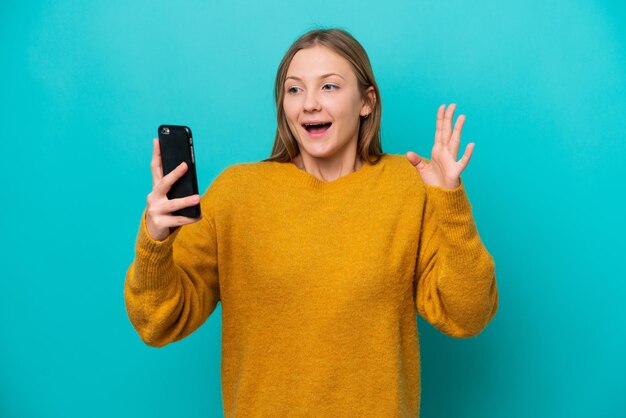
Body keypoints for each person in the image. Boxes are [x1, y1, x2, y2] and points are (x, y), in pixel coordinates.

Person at [124, 28, 498, 417]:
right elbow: (157, 322)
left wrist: (449, 202)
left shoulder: (407, 186)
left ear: (367, 101)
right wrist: (155, 240)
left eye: (330, 87)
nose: (310, 105)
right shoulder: (237, 193)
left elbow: (467, 314)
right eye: (295, 90)